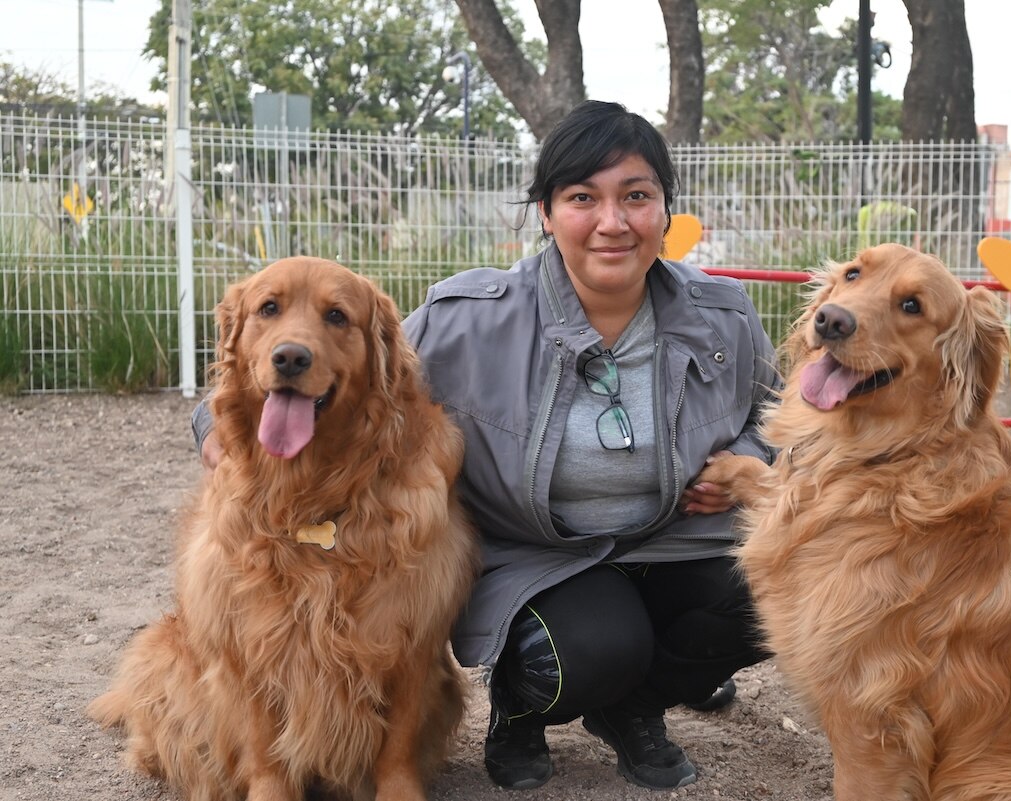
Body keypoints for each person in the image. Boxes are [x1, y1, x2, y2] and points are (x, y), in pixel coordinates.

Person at [194, 100, 779, 792]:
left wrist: (747, 459)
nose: (612, 222)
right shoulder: (469, 318)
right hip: (543, 560)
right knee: (582, 654)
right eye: (583, 197)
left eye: (637, 196)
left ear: (665, 212)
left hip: (672, 539)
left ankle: (634, 708)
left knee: (772, 586)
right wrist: (221, 437)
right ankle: (520, 711)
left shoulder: (722, 311)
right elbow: (340, 367)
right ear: (546, 212)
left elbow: (778, 413)